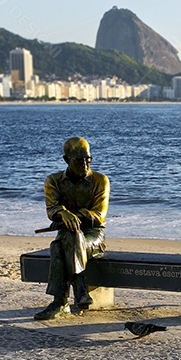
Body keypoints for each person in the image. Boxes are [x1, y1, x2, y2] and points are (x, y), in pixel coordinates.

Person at [34, 137, 110, 320]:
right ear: (66, 160)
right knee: (63, 242)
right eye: (78, 160)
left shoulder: (101, 181)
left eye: (88, 159)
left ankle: (59, 303)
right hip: (68, 237)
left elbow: (99, 215)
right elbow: (51, 209)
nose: (85, 164)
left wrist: (76, 216)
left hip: (93, 236)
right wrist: (62, 213)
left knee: (59, 245)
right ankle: (80, 288)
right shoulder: (53, 181)